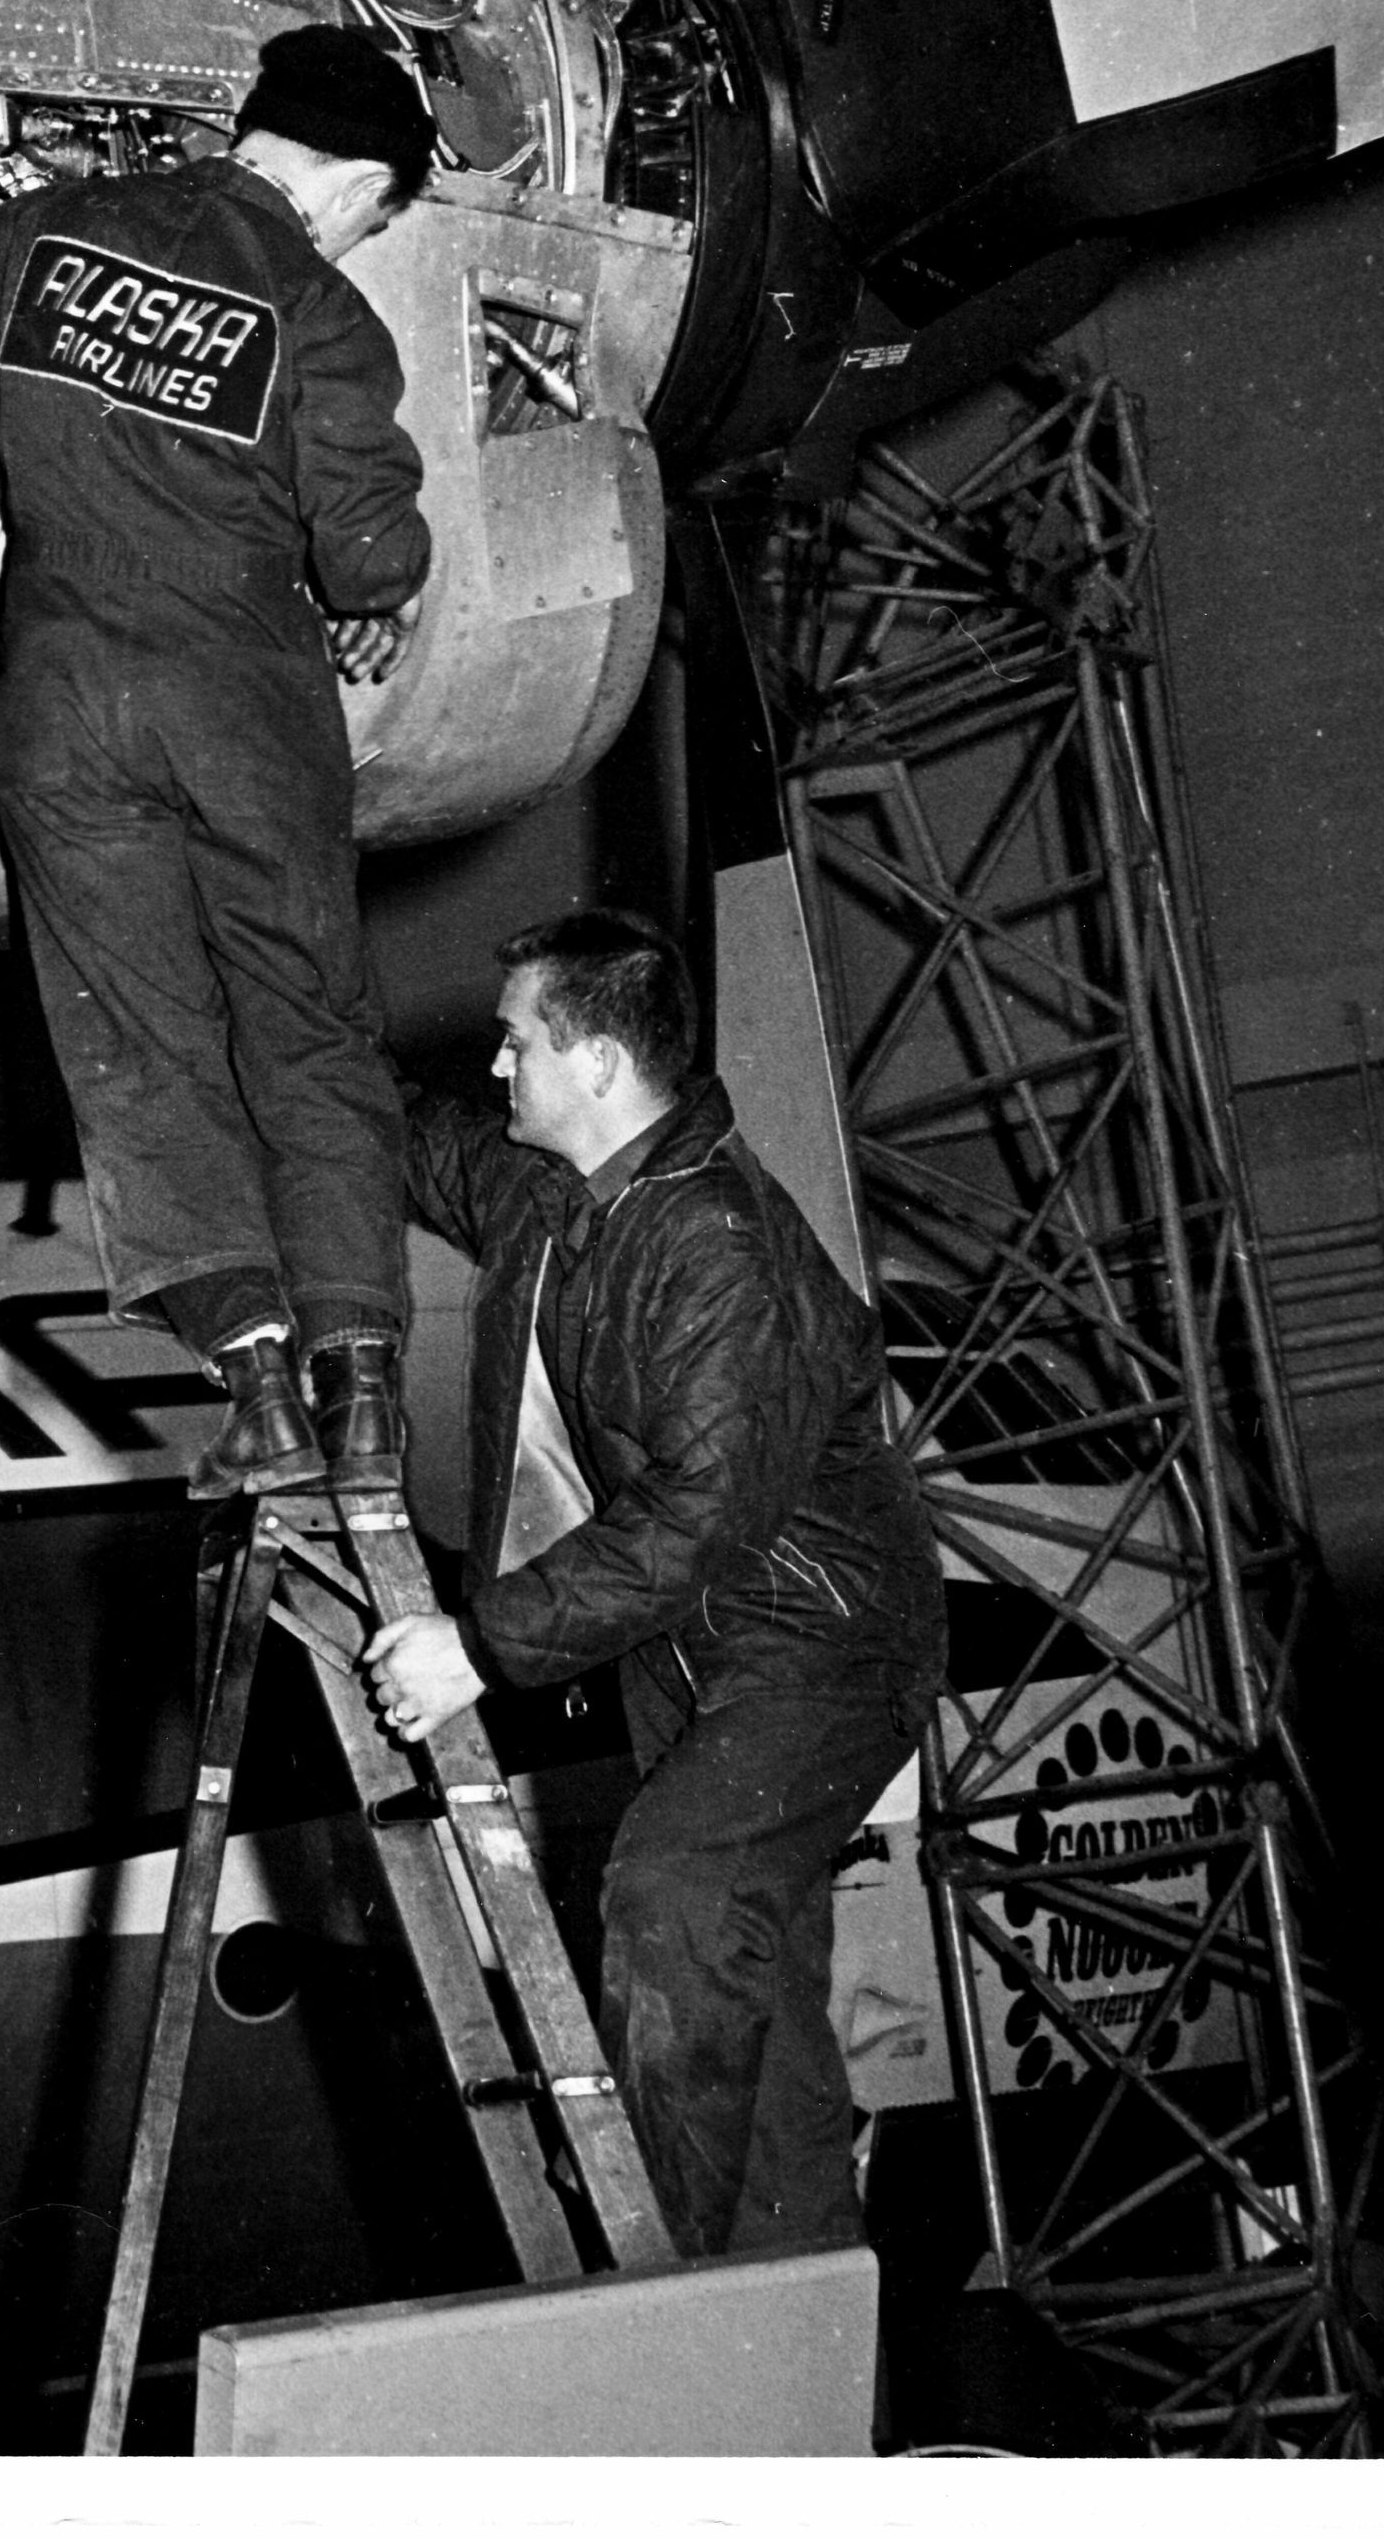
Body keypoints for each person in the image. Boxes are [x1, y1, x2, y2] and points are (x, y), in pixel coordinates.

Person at [0, 25, 438, 1499]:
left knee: (135, 1037)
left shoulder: (48, 233)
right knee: (306, 1025)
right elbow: (368, 548)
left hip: (60, 696)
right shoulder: (318, 307)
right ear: (356, 187)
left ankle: (253, 1381)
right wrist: (381, 595)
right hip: (241, 701)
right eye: (378, 219)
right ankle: (360, 1385)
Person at [364, 910, 948, 2258]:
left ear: (600, 1063)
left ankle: (661, 2270)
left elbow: (703, 1516)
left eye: (517, 1044)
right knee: (760, 2004)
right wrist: (279, 1029)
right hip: (691, 1657)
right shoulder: (560, 1195)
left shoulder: (719, 1247)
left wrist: (478, 1646)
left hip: (822, 1651)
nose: (496, 1066)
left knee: (675, 1898)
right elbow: (419, 1140)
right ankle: (795, 2319)